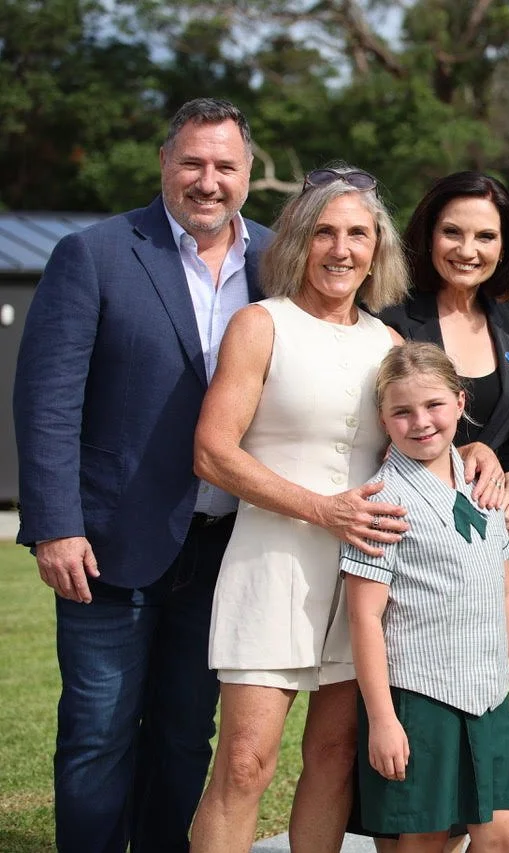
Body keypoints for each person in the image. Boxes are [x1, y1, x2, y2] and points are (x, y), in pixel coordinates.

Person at [12, 97, 270, 852]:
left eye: (225, 165)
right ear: (164, 163)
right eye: (192, 161)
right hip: (110, 546)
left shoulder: (277, 261)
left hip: (227, 550)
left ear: (249, 174)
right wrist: (56, 523)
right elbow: (47, 402)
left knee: (188, 736)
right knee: (98, 736)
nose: (207, 180)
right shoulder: (93, 252)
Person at [187, 165, 413, 851]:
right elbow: (212, 452)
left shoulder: (391, 346)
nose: (341, 249)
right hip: (271, 565)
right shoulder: (261, 325)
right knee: (246, 763)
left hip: (360, 581)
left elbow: (417, 454)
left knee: (334, 756)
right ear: (296, 241)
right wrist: (324, 510)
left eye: (357, 234)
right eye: (324, 233)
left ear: (378, 249)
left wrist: (488, 460)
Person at [343, 341, 509, 853]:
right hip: (420, 694)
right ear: (384, 421)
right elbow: (364, 617)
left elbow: (502, 587)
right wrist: (382, 719)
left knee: (501, 831)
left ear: (460, 402)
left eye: (433, 406)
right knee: (422, 837)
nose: (421, 421)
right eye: (402, 411)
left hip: (488, 690)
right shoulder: (381, 501)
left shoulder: (482, 486)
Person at [381, 171, 509, 533]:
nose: (467, 251)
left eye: (485, 237)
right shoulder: (388, 318)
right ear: (429, 236)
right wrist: (460, 455)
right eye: (452, 232)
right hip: (406, 526)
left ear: (504, 248)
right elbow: (374, 441)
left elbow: (507, 436)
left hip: (483, 532)